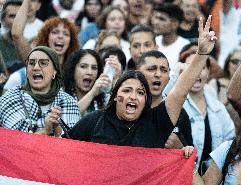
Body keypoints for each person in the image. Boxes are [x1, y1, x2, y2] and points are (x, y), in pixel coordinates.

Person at [67, 15, 217, 148]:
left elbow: (180, 92)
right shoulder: (95, 121)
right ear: (114, 96)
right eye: (126, 90)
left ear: (146, 100)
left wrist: (202, 53)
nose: (133, 96)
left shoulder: (156, 122)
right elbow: (63, 147)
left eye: (140, 92)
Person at [164, 40, 234, 175]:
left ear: (208, 72)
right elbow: (162, 98)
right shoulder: (173, 103)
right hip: (178, 174)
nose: (195, 73)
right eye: (190, 68)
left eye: (201, 67)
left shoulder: (218, 107)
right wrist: (175, 74)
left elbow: (229, 142)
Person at [0, 46, 81, 136]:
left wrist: (58, 130)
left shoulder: (68, 102)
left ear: (54, 71)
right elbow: (16, 143)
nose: (36, 67)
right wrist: (45, 131)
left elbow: (73, 145)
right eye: (31, 63)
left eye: (43, 63)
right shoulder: (10, 100)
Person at [137, 50, 193, 148]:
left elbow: (193, 159)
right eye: (151, 69)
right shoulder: (129, 109)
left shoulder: (179, 113)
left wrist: (180, 147)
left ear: (169, 77)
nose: (158, 74)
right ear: (137, 73)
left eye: (164, 70)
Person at [12, 16, 79, 65]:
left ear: (71, 41)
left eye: (66, 34)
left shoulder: (75, 70)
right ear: (46, 38)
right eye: (55, 32)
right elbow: (16, 34)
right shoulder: (35, 64)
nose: (60, 36)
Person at [63, 49, 108, 116]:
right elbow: (70, 117)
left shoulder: (105, 98)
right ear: (73, 70)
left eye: (94, 68)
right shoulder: (61, 95)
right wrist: (92, 93)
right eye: (83, 66)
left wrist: (116, 78)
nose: (89, 72)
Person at [151, 3, 189, 70]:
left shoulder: (185, 46)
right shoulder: (153, 41)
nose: (156, 22)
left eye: (161, 19)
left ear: (175, 24)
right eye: (156, 18)